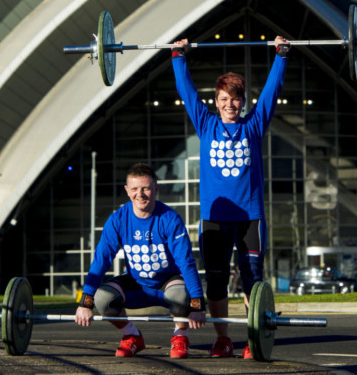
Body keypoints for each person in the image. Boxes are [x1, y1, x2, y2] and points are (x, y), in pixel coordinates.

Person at [171, 35, 290, 358]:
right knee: (217, 281)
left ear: (243, 101)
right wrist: (177, 57)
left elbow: (271, 93)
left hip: (250, 217)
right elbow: (187, 93)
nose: (230, 104)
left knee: (253, 278)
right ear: (216, 100)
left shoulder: (253, 126)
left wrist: (281, 55)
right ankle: (223, 339)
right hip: (214, 218)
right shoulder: (206, 124)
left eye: (235, 99)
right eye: (224, 98)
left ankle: (254, 337)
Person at [74, 163, 206, 358]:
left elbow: (186, 262)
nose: (140, 194)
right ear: (127, 191)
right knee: (102, 298)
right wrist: (85, 301)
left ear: (156, 189)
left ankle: (180, 337)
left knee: (182, 294)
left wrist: (197, 303)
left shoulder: (170, 219)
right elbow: (101, 260)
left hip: (166, 284)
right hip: (136, 284)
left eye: (146, 188)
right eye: (134, 189)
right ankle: (132, 336)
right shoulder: (118, 219)